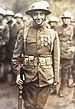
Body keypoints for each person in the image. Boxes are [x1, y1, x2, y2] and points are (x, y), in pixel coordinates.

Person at [12, 1, 60, 109]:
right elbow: (16, 57)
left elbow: (56, 58)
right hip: (29, 77)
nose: (38, 17)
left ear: (45, 15)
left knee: (40, 106)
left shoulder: (52, 34)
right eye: (35, 14)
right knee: (29, 105)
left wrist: (56, 78)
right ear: (31, 16)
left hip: (46, 77)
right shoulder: (23, 33)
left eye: (41, 14)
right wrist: (18, 73)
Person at [57, 11, 75, 97]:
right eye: (64, 18)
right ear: (62, 19)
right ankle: (53, 88)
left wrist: (74, 47)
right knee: (55, 71)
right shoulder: (57, 28)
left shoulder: (73, 28)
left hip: (68, 53)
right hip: (58, 52)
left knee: (65, 72)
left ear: (70, 19)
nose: (66, 20)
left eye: (67, 18)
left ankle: (62, 89)